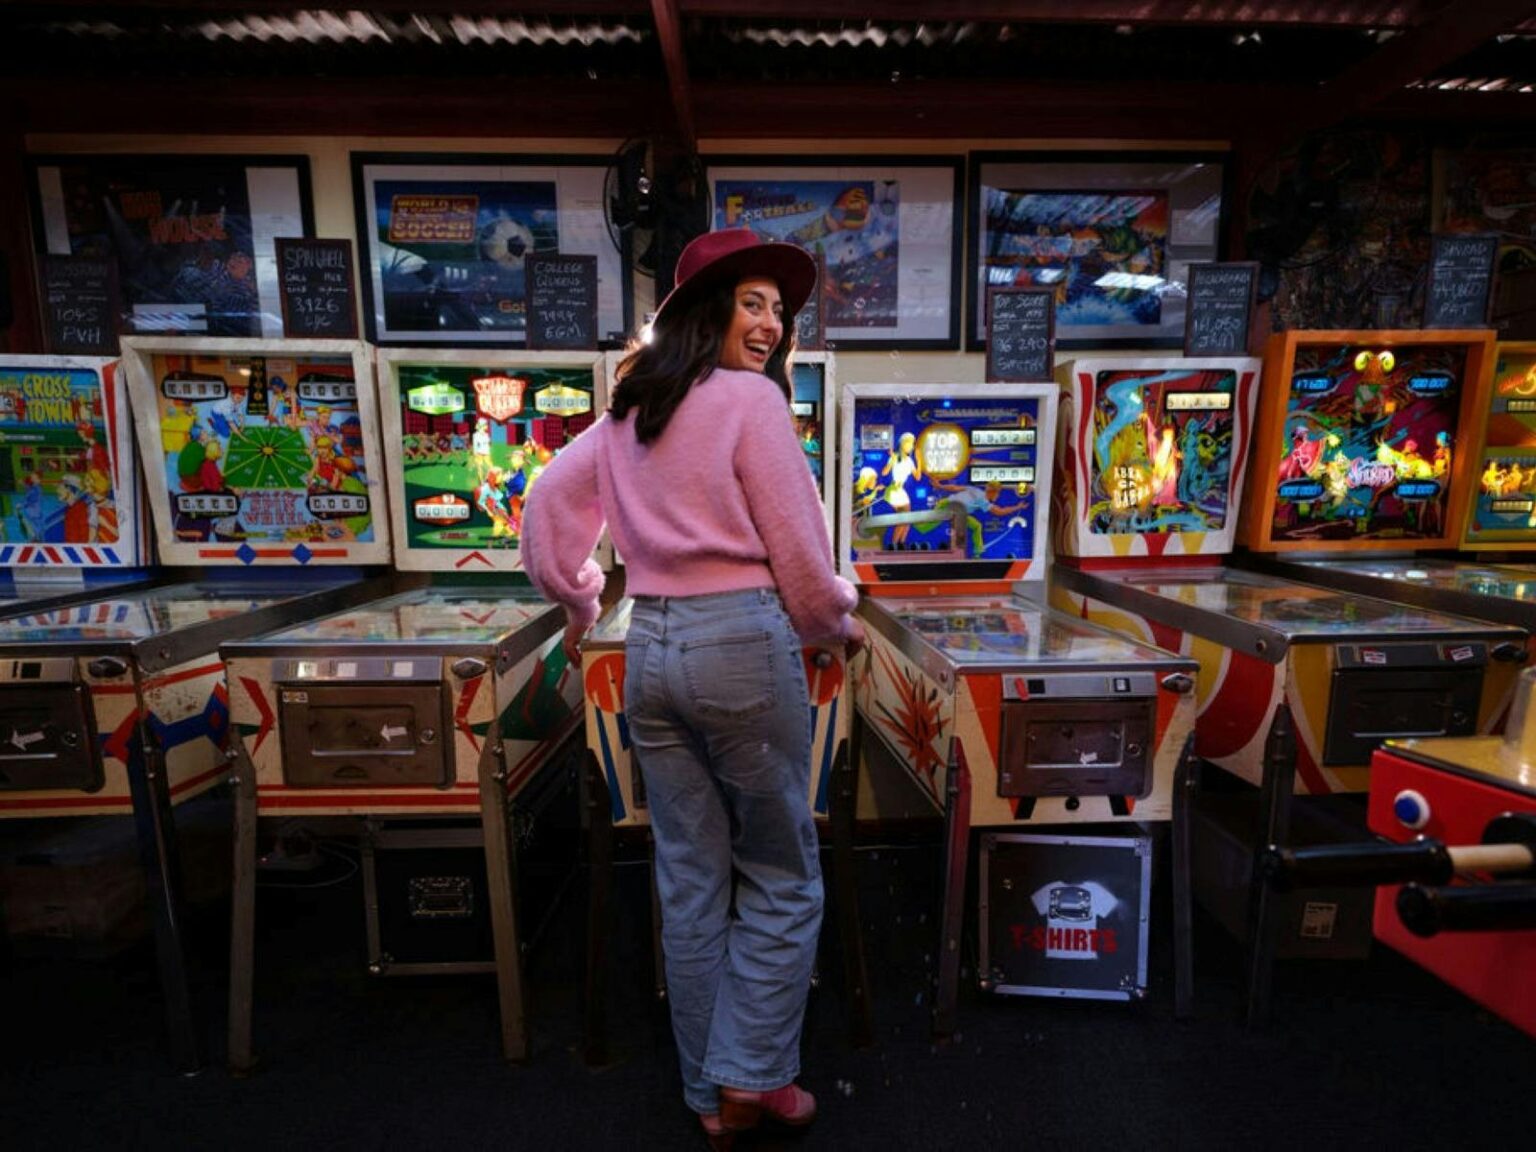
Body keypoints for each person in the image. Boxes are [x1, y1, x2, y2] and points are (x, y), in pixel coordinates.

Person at [521, 228, 864, 1149]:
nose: (769, 324)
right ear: (708, 312)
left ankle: (711, 1095)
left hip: (655, 652)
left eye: (778, 310)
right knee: (784, 876)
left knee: (688, 876)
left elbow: (547, 505)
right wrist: (837, 620)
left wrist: (581, 595)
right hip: (745, 646)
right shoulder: (751, 403)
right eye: (751, 302)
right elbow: (800, 555)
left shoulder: (633, 411)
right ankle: (755, 1076)